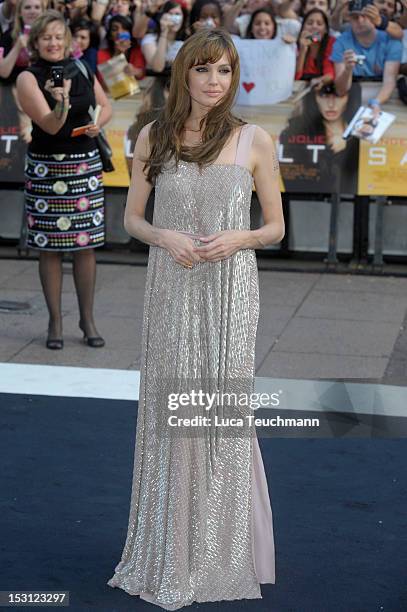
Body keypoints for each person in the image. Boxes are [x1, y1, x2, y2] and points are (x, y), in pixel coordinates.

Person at [107, 27, 284, 609]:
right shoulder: (153, 135)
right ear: (184, 72)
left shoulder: (254, 139)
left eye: (226, 72)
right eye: (205, 69)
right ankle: (171, 547)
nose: (215, 82)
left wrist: (241, 237)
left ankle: (223, 552)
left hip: (231, 289)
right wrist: (161, 234)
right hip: (172, 287)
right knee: (171, 413)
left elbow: (276, 228)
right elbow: (133, 218)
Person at [16, 9, 112, 349]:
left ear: (67, 40)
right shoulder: (28, 78)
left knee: (85, 247)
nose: (53, 43)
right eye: (46, 38)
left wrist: (100, 121)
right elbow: (52, 125)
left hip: (84, 166)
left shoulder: (83, 67)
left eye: (59, 36)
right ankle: (55, 323)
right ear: (35, 42)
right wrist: (62, 103)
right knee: (50, 249)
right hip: (47, 168)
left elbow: (105, 103)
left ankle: (88, 320)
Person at [279, 81, 361, 193]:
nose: (331, 104)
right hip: (305, 201)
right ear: (313, 97)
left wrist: (349, 143)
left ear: (350, 97)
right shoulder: (295, 131)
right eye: (323, 95)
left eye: (338, 95)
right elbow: (292, 182)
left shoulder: (361, 133)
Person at [331, 0, 402, 106]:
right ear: (349, 19)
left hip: (384, 99)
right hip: (351, 100)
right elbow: (341, 90)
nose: (360, 20)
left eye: (365, 16)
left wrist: (376, 102)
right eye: (355, 17)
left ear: (374, 17)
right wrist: (347, 70)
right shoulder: (340, 43)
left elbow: (389, 82)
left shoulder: (390, 40)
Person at [0, 0, 46, 82]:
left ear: (43, 11)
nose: (33, 11)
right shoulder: (9, 35)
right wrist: (17, 46)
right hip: (15, 85)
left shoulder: (51, 34)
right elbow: (3, 73)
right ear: (20, 13)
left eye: (37, 7)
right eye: (27, 7)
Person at [140, 0, 188, 72]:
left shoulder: (187, 40)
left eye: (177, 14)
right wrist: (164, 32)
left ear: (183, 18)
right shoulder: (149, 39)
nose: (174, 18)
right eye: (170, 14)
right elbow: (158, 68)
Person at [97, 14, 146, 81]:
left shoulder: (137, 50)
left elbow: (141, 74)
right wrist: (118, 53)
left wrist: (134, 71)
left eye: (125, 29)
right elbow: (104, 80)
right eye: (114, 29)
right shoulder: (101, 54)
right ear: (110, 36)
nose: (119, 32)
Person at [295, 8, 336, 87]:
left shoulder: (331, 43)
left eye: (319, 24)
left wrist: (319, 80)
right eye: (309, 23)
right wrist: (303, 49)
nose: (314, 26)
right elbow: (297, 77)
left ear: (326, 30)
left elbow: (330, 75)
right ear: (303, 27)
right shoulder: (295, 45)